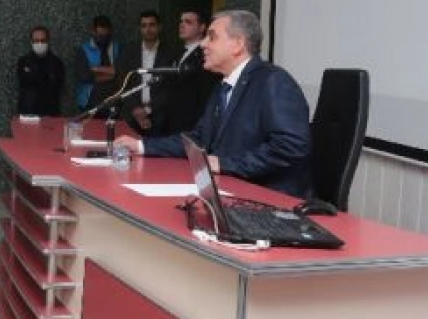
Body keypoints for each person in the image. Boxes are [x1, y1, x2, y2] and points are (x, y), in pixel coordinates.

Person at [114, 10, 312, 199]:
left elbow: (290, 147)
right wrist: (141, 146)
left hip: (270, 200)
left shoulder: (273, 81)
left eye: (212, 37)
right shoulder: (223, 85)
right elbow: (199, 139)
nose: (203, 44)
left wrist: (224, 164)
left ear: (238, 44)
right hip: (229, 191)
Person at [116, 10, 165, 135]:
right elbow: (122, 82)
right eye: (144, 26)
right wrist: (136, 108)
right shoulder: (128, 51)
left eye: (152, 25)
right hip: (131, 114)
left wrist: (151, 111)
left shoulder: (170, 52)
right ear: (140, 28)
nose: (148, 29)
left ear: (159, 27)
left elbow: (170, 86)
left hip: (160, 117)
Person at [73, 15, 121, 113]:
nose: (103, 39)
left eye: (106, 36)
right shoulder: (83, 50)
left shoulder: (118, 48)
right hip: (89, 101)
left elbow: (123, 71)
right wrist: (112, 73)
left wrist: (96, 69)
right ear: (93, 32)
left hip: (113, 99)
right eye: (100, 36)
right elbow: (85, 76)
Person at [16, 25, 64, 117]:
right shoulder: (23, 62)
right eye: (36, 40)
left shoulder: (56, 63)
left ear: (48, 41)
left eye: (43, 40)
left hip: (50, 112)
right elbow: (24, 82)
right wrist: (46, 77)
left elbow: (57, 85)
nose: (40, 43)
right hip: (28, 112)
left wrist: (35, 77)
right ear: (31, 42)